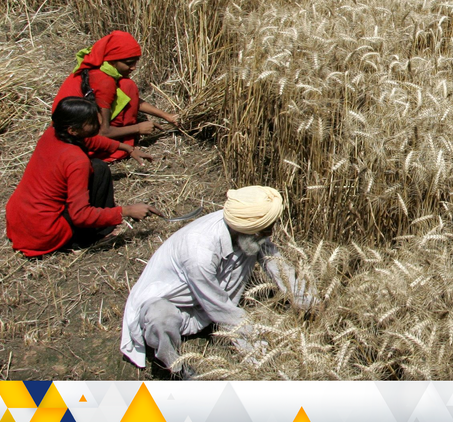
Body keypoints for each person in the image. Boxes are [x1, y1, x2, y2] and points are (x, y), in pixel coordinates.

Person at [120, 186, 316, 376]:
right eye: (266, 229)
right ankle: (176, 368)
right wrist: (257, 349)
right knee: (160, 318)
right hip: (174, 304)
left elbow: (276, 265)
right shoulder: (199, 252)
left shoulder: (244, 227)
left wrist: (309, 304)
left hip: (205, 303)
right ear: (251, 228)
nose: (271, 233)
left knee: (254, 249)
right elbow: (218, 306)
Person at [5, 97, 162, 257]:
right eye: (93, 122)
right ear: (73, 130)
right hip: (45, 234)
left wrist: (127, 148)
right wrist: (126, 211)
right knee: (99, 169)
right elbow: (80, 215)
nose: (100, 123)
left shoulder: (52, 133)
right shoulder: (76, 160)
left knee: (97, 167)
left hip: (20, 222)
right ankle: (93, 236)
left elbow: (91, 140)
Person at [52, 30, 179, 162]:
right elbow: (103, 132)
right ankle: (122, 142)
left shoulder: (100, 65)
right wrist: (138, 128)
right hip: (74, 138)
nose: (134, 68)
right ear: (113, 61)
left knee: (127, 86)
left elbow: (132, 100)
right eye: (129, 63)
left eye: (136, 62)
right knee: (128, 86)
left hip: (68, 129)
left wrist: (166, 116)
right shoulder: (104, 81)